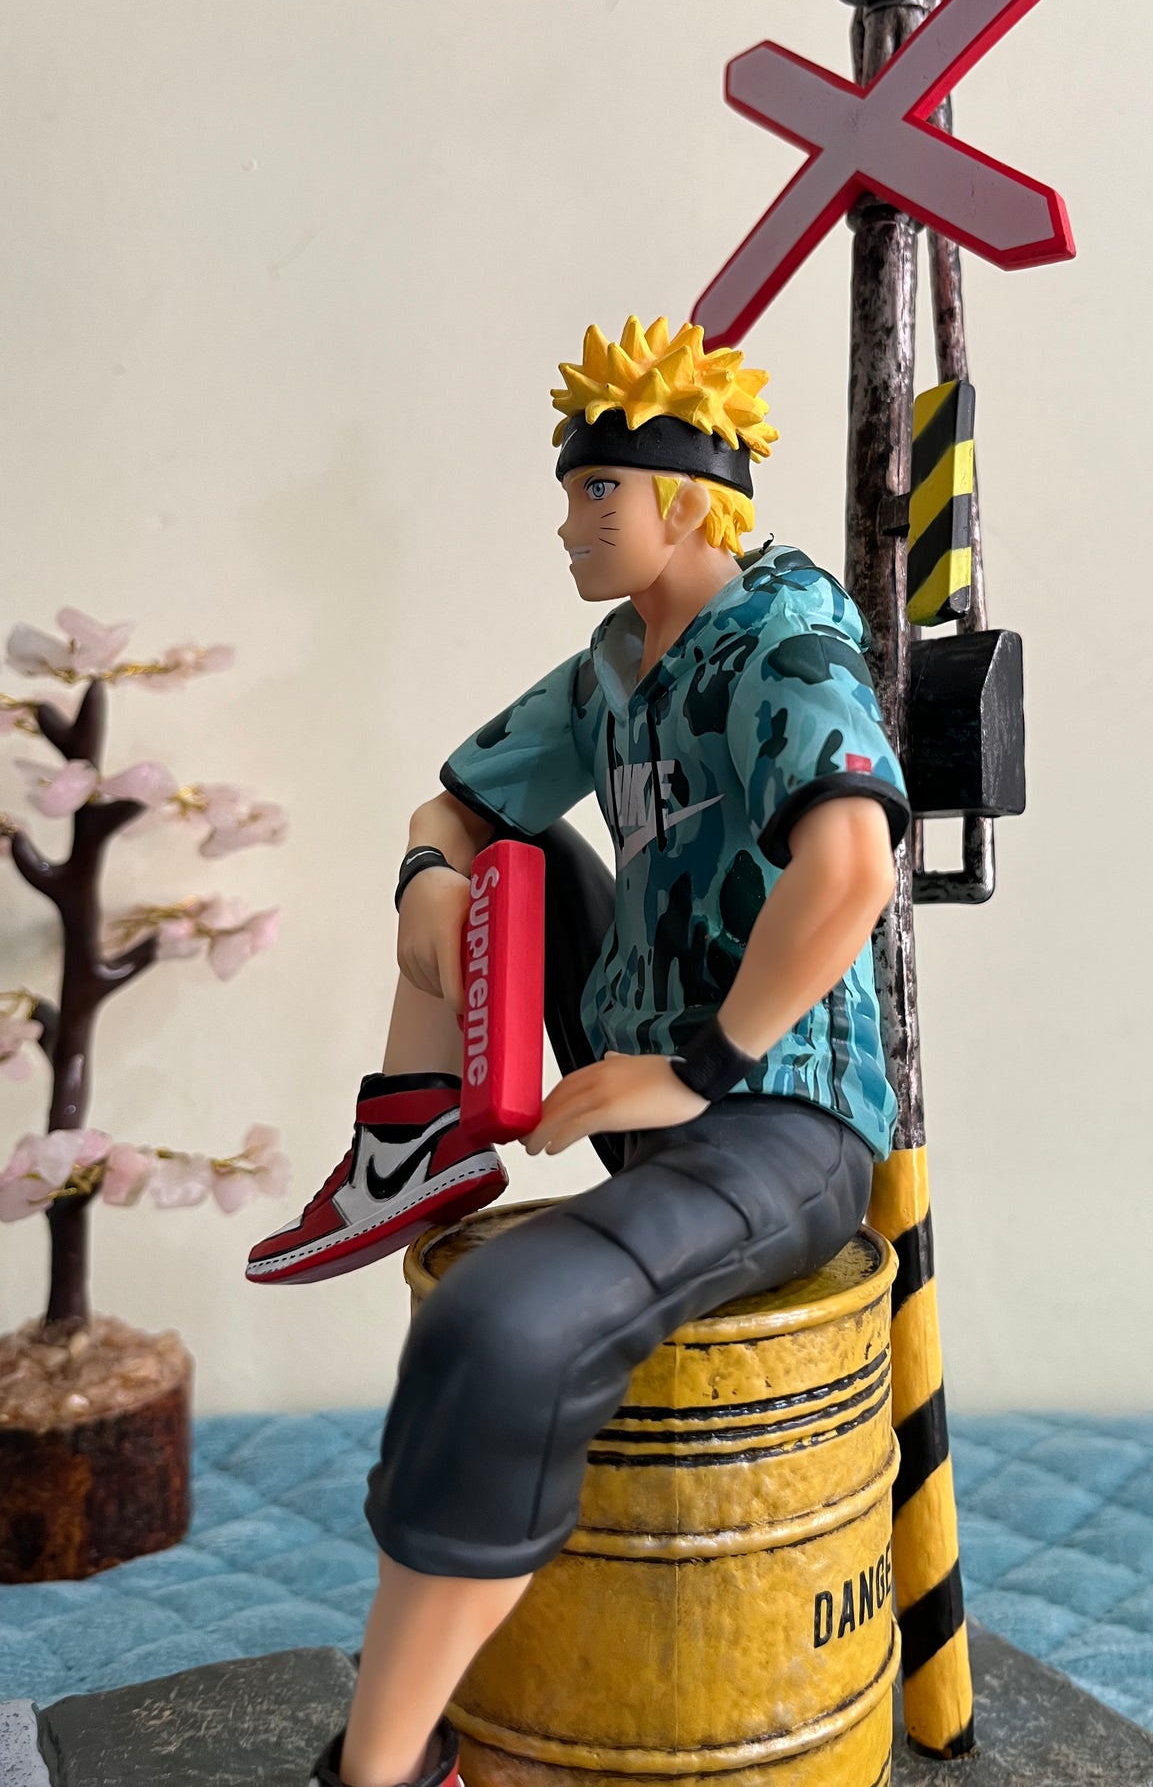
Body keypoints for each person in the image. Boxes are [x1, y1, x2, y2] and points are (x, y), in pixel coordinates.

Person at [248, 318, 911, 1787]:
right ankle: (408, 1148)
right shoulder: (616, 662)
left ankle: (383, 1768)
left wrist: (704, 1067)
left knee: (499, 1328)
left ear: (689, 498)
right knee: (506, 850)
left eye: (596, 490)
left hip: (778, 1120)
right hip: (643, 1076)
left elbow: (852, 869)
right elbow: (452, 804)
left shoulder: (786, 638)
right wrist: (432, 884)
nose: (568, 524)